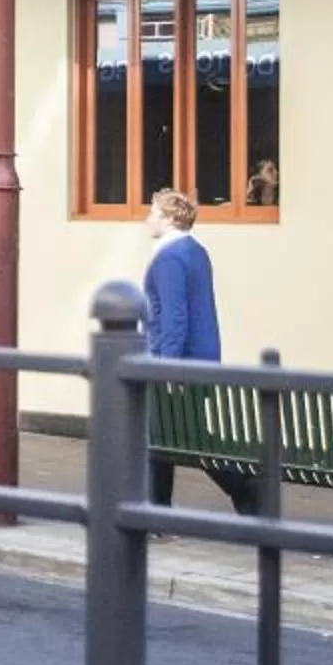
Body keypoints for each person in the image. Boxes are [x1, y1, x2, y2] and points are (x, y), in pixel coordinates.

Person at [143, 188, 232, 511]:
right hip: (201, 357)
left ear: (169, 219)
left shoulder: (169, 258)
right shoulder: (195, 251)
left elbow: (174, 317)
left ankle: (247, 488)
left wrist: (167, 366)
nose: (147, 218)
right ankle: (157, 507)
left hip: (176, 361)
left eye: (153, 212)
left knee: (179, 438)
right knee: (168, 436)